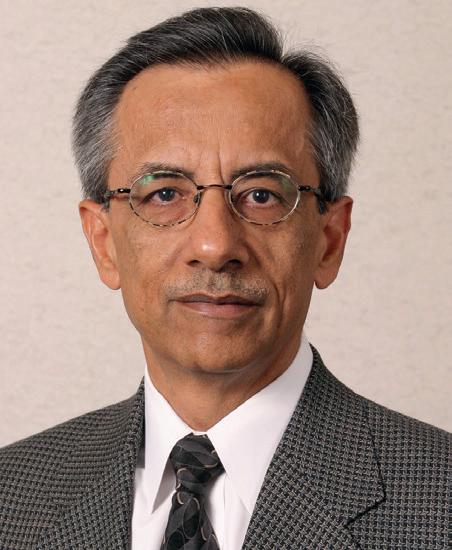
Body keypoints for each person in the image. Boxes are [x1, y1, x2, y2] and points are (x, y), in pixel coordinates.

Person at [0, 6, 449, 550]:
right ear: (103, 242)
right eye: (164, 193)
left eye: (261, 194)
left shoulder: (438, 500)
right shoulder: (11, 496)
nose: (214, 247)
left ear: (329, 239)